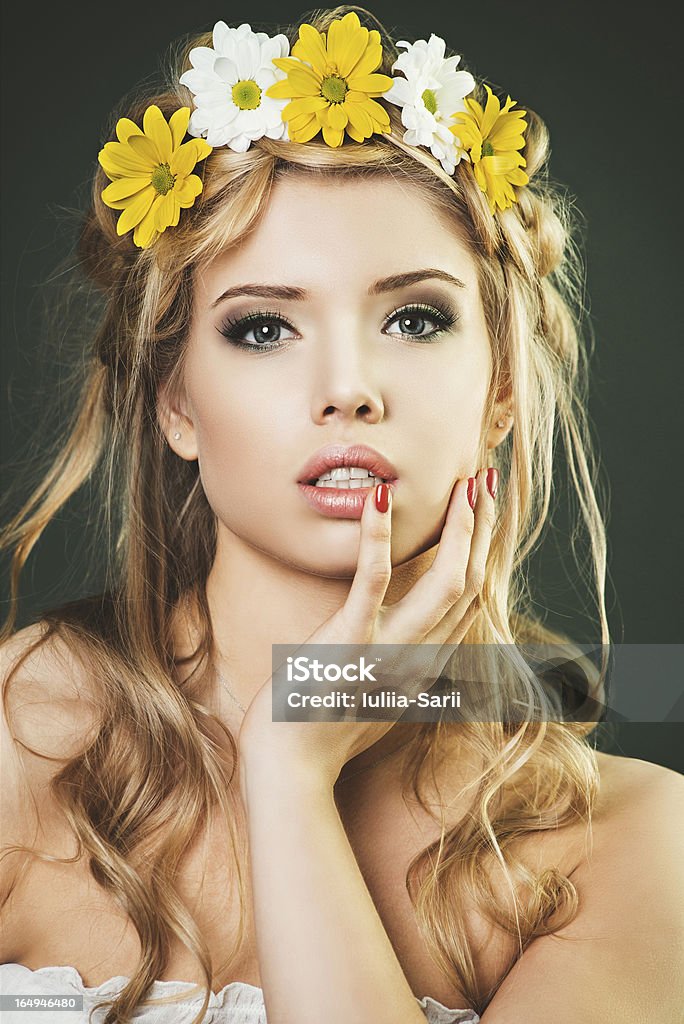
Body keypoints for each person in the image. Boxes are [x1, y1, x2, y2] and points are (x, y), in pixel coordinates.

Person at [1, 7, 682, 1024]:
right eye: (264, 327)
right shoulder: (21, 732)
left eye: (415, 318)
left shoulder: (632, 839)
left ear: (501, 389)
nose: (351, 388)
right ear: (176, 402)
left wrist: (289, 771)